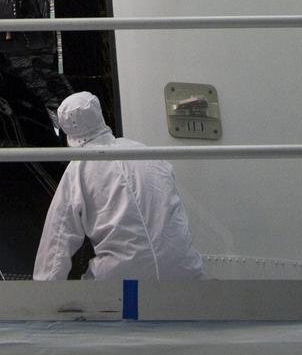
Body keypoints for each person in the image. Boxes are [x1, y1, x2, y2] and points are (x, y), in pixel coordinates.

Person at [33, 91, 204, 282]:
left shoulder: (78, 169)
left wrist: (43, 294)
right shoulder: (147, 154)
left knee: (88, 302)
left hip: (122, 279)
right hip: (185, 273)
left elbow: (57, 240)